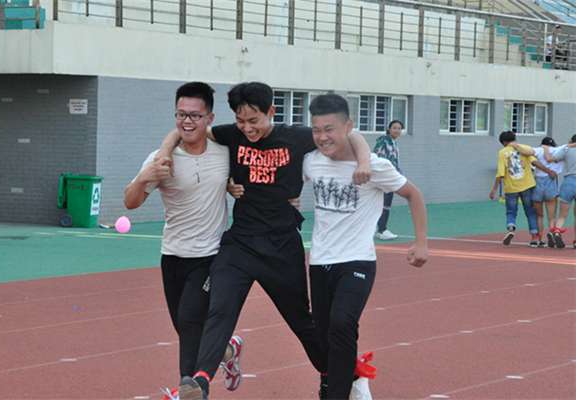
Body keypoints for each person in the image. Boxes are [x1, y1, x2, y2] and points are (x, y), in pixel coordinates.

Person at [154, 82, 373, 400]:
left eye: (254, 120)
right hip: (240, 243)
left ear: (271, 111)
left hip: (282, 247)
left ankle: (342, 373)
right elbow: (188, 130)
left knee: (302, 323)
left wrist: (364, 162)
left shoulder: (296, 137)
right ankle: (200, 381)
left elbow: (352, 136)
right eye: (240, 121)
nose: (247, 128)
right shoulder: (232, 134)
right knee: (219, 310)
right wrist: (164, 150)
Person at [123, 82, 244, 398]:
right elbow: (131, 202)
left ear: (209, 118)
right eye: (181, 115)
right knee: (187, 327)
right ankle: (228, 351)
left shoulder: (225, 153)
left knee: (190, 322)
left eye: (195, 115)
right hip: (172, 255)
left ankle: (189, 390)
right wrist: (144, 178)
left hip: (210, 255)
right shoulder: (161, 159)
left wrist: (233, 186)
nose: (187, 121)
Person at [304, 94, 428, 400]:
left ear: (348, 126)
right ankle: (354, 376)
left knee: (342, 323)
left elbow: (414, 195)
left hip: (357, 260)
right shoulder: (310, 161)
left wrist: (421, 242)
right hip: (319, 261)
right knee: (323, 335)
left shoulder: (374, 166)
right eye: (316, 130)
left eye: (330, 129)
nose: (322, 137)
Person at [489, 131, 556, 247]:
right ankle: (535, 238)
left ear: (504, 142)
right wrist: (548, 171)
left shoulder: (502, 153)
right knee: (530, 211)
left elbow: (500, 173)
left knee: (511, 211)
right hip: (527, 185)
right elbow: (534, 162)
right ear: (515, 139)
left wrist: (495, 189)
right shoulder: (525, 148)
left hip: (511, 187)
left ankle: (511, 229)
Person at [512, 137, 564, 247]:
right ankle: (552, 232)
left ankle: (540, 238)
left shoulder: (539, 150)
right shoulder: (559, 150)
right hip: (551, 182)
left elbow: (525, 152)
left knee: (539, 215)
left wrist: (514, 145)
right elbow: (571, 145)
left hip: (538, 183)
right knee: (552, 216)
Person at [542, 135, 576, 249]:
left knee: (562, 215)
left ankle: (556, 231)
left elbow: (549, 159)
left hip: (569, 182)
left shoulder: (566, 150)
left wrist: (545, 148)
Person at [373, 120, 404, 241]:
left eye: (399, 129)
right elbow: (378, 157)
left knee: (387, 204)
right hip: (384, 176)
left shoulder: (394, 143)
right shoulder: (384, 141)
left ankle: (383, 229)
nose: (397, 131)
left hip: (392, 175)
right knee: (382, 203)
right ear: (389, 129)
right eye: (394, 128)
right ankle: (382, 230)